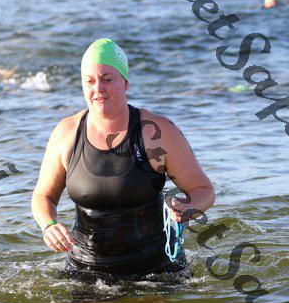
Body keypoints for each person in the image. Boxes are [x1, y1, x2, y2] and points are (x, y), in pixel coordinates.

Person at [31, 39, 215, 282]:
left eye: (107, 79)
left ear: (125, 82)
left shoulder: (157, 132)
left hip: (156, 271)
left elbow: (204, 190)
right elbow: (42, 196)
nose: (98, 88)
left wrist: (189, 208)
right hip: (86, 271)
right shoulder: (66, 133)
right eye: (90, 81)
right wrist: (49, 225)